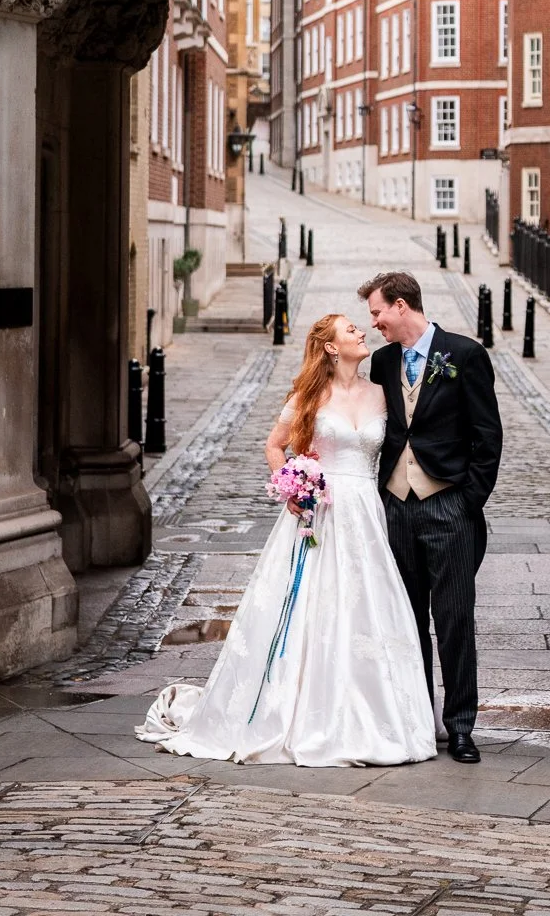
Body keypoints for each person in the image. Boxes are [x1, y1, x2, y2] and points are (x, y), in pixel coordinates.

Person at [135, 314, 436, 766]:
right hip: (321, 510)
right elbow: (275, 445)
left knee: (366, 608)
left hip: (366, 515)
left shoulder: (381, 394)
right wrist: (292, 486)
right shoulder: (309, 395)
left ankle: (373, 715)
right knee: (310, 609)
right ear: (332, 348)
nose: (361, 332)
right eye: (350, 329)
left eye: (360, 326)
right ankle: (295, 710)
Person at [358, 269, 503, 763]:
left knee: (455, 618)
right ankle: (419, 719)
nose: (374, 322)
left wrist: (468, 502)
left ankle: (460, 726)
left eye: (377, 311)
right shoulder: (381, 362)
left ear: (401, 306)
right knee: (407, 620)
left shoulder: (464, 355)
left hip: (449, 506)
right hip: (396, 507)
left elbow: (488, 435)